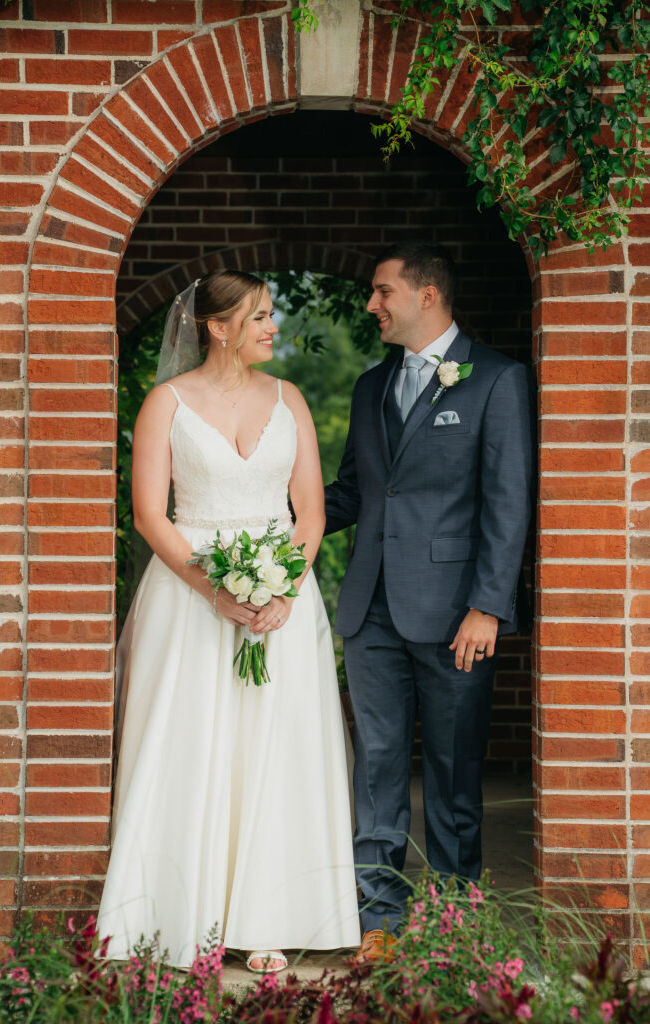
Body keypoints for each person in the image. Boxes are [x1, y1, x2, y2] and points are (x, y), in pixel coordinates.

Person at [98, 270, 360, 973]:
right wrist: (213, 590)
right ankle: (175, 913)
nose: (274, 326)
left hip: (281, 602)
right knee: (188, 741)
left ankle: (267, 920)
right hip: (188, 598)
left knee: (277, 749)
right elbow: (150, 513)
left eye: (272, 314)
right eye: (261, 316)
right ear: (217, 327)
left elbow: (311, 513)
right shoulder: (166, 404)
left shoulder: (291, 399)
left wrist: (283, 590)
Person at [325, 241, 536, 964]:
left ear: (427, 296)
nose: (371, 305)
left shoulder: (497, 381)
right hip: (370, 610)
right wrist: (266, 517)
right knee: (377, 762)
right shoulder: (367, 387)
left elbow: (507, 506)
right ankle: (379, 912)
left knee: (451, 766)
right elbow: (355, 492)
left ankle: (454, 914)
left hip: (455, 613)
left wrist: (488, 606)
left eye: (382, 292)